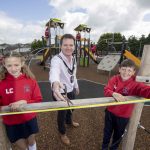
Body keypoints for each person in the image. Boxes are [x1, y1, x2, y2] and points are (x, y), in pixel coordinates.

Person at [102, 59, 150, 150]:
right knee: (107, 132)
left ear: (133, 72)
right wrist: (113, 93)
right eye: (123, 69)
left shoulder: (136, 83)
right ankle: (104, 147)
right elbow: (106, 90)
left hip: (123, 116)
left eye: (129, 70)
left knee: (118, 135)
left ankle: (113, 148)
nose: (126, 72)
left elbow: (145, 91)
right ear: (119, 69)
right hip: (110, 113)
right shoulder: (115, 78)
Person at [0, 51, 42, 150]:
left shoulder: (30, 80)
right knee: (21, 144)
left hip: (29, 118)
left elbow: (38, 99)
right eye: (9, 65)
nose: (13, 68)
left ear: (22, 64)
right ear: (4, 65)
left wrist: (25, 102)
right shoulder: (1, 82)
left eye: (16, 65)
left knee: (31, 141)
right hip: (11, 121)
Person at [49, 34, 79, 145]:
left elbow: (74, 74)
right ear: (60, 46)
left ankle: (69, 121)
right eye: (65, 45)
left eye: (71, 45)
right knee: (61, 114)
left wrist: (76, 85)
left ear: (74, 46)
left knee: (71, 108)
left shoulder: (74, 58)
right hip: (60, 92)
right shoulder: (56, 59)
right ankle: (62, 133)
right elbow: (54, 72)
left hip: (71, 89)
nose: (68, 47)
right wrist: (55, 84)